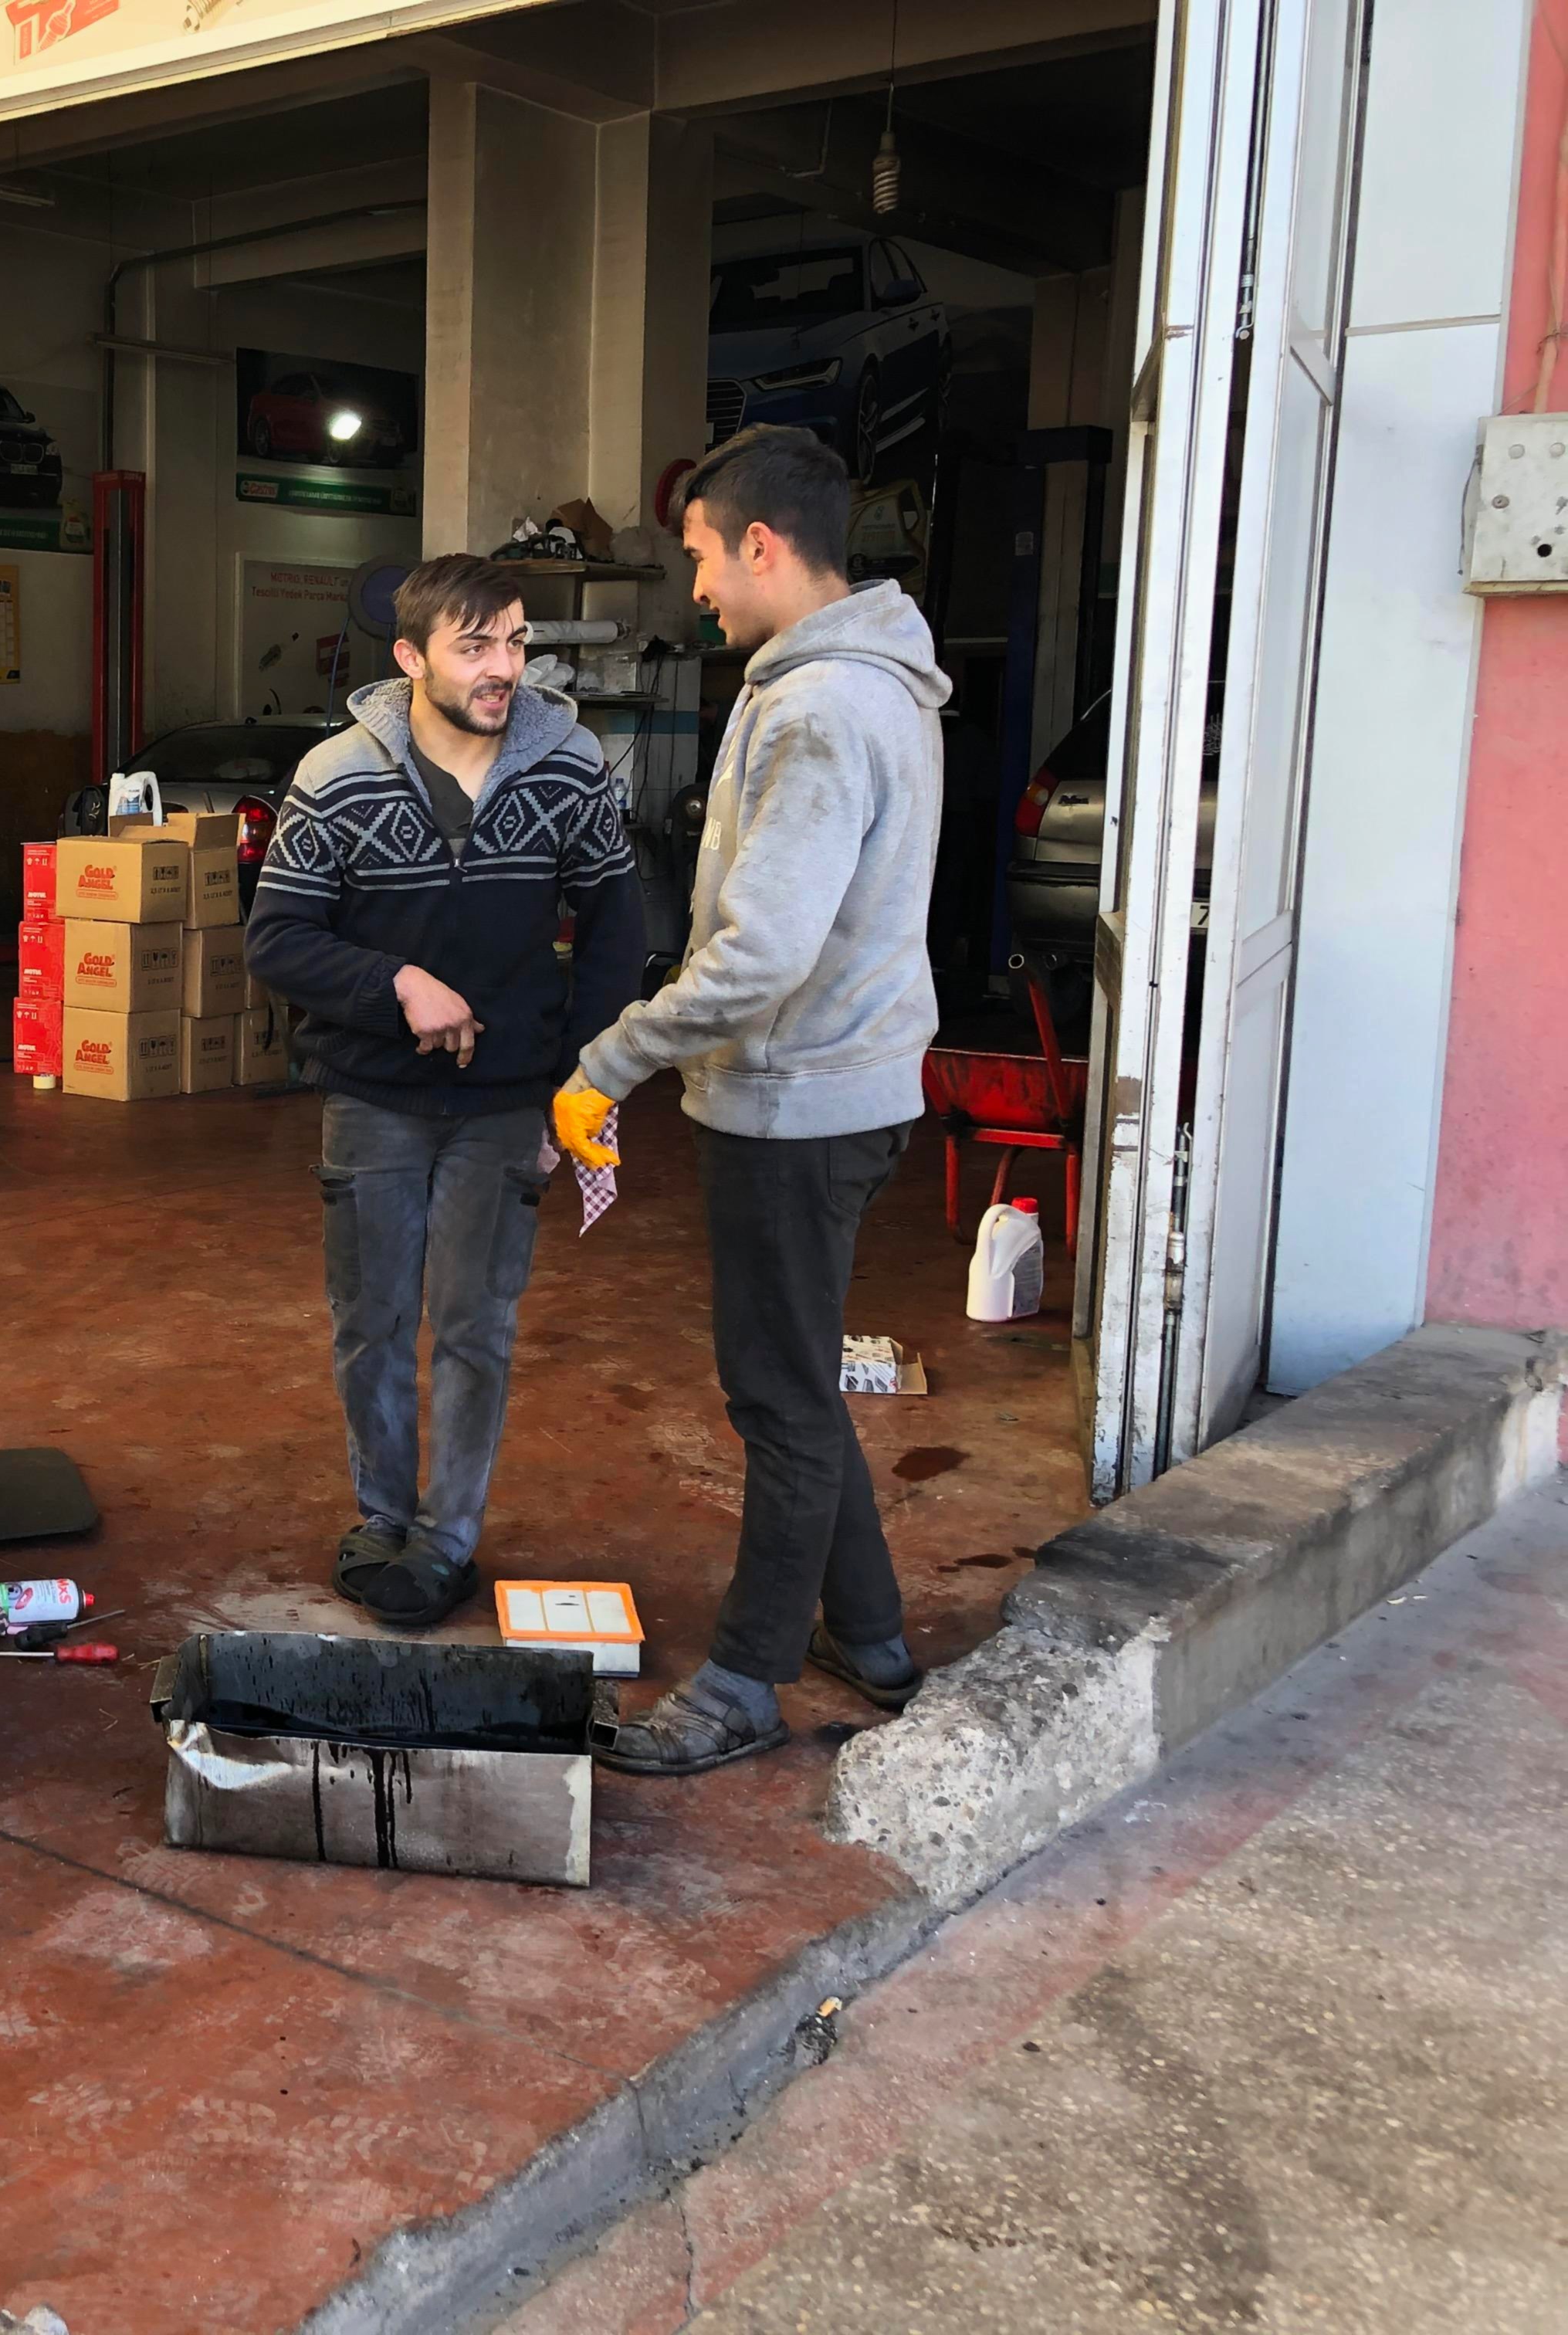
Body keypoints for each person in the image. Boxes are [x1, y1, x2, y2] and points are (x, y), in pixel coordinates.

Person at [552, 424, 950, 1775]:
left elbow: (763, 953)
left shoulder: (819, 708)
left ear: (763, 545)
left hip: (798, 1103)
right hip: (846, 1084)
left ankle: (742, 1680)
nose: (700, 588)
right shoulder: (869, 684)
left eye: (704, 558)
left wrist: (612, 1058)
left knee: (777, 1400)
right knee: (798, 1379)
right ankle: (871, 1637)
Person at [249, 553, 646, 1628]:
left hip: (508, 1104)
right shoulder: (336, 776)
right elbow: (277, 938)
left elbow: (617, 931)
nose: (503, 666)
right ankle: (383, 1517)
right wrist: (398, 986)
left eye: (515, 642)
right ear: (411, 657)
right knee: (371, 1323)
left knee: (476, 1329)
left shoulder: (570, 770)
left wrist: (584, 1081)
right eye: (475, 646)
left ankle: (446, 1541)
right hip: (372, 1097)